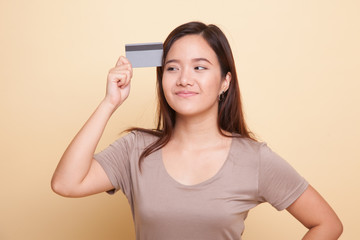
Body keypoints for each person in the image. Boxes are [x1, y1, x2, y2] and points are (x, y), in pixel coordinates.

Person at [51, 21, 343, 239]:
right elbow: (65, 184)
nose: (184, 79)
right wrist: (109, 103)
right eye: (172, 68)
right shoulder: (135, 149)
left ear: (225, 82)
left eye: (200, 68)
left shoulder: (254, 159)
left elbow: (327, 224)